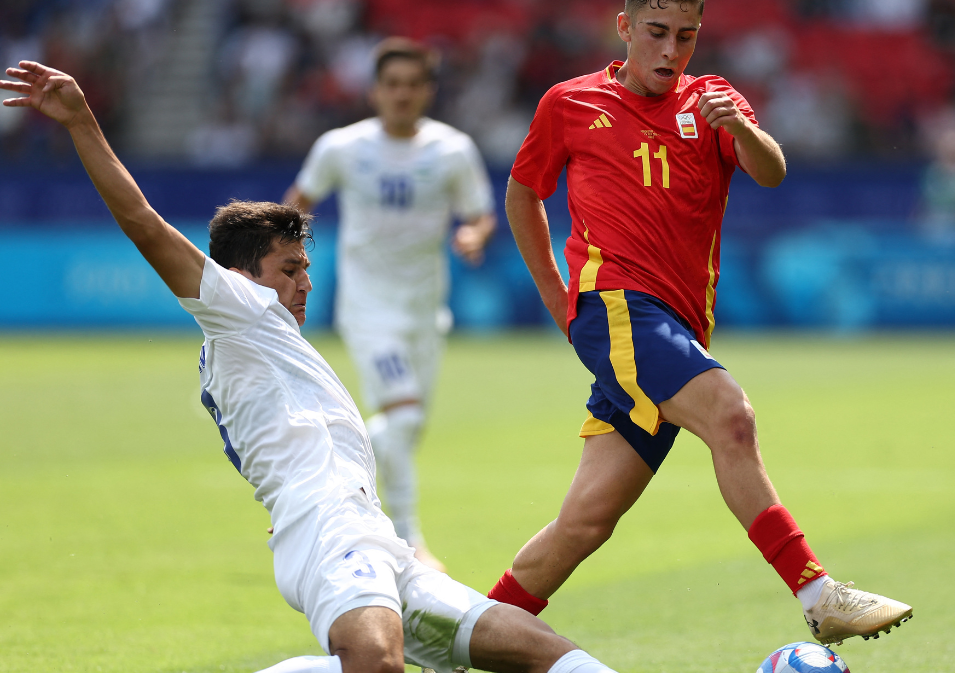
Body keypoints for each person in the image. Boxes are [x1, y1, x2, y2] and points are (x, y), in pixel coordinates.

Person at [2, 60, 616, 673]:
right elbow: (143, 224)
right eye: (289, 269)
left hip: (375, 537)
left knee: (551, 656)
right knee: (376, 664)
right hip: (328, 532)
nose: (305, 283)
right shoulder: (237, 310)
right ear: (240, 277)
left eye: (305, 266)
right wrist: (82, 121)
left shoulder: (264, 338)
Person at [491, 0, 913, 646]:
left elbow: (770, 173)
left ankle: (450, 639)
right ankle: (818, 592)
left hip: (676, 328)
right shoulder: (569, 104)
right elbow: (522, 193)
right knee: (731, 415)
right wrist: (558, 299)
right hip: (616, 307)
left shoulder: (713, 99)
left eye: (685, 36)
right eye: (656, 32)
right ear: (625, 27)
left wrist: (743, 130)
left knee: (585, 523)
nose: (669, 50)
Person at [283, 38, 497, 571]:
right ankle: (408, 542)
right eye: (392, 85)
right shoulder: (342, 147)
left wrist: (474, 234)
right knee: (401, 416)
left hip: (425, 310)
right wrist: (281, 259)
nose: (402, 95)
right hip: (368, 308)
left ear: (428, 90)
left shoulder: (451, 150)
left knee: (407, 427)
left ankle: (329, 470)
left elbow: (480, 212)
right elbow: (298, 203)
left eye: (412, 85)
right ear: (376, 90)